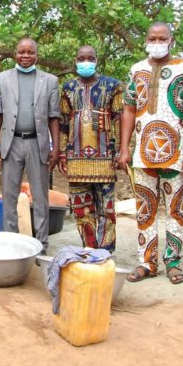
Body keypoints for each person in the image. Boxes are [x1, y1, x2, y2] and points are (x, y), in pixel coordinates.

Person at [118, 22, 183, 284]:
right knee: (145, 209)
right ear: (146, 40)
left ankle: (173, 262)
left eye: (162, 38)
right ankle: (147, 262)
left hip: (176, 153)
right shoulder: (136, 70)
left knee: (175, 209)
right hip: (143, 154)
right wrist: (124, 147)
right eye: (152, 38)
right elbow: (129, 109)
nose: (157, 43)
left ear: (171, 40)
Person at [0, 37, 61, 253]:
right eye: (22, 52)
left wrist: (56, 147)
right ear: (15, 54)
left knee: (40, 197)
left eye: (30, 52)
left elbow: (54, 117)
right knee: (9, 196)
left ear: (37, 55)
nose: (26, 56)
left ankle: (42, 245)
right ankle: (12, 243)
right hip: (11, 144)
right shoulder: (2, 78)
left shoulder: (50, 81)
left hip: (37, 144)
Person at [58, 45, 123, 252]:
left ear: (96, 60)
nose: (85, 62)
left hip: (105, 159)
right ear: (75, 61)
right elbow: (63, 122)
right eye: (81, 58)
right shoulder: (68, 88)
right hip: (76, 160)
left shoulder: (112, 86)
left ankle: (105, 252)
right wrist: (62, 153)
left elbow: (119, 119)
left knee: (107, 209)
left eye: (90, 58)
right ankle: (89, 249)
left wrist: (120, 150)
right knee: (81, 209)